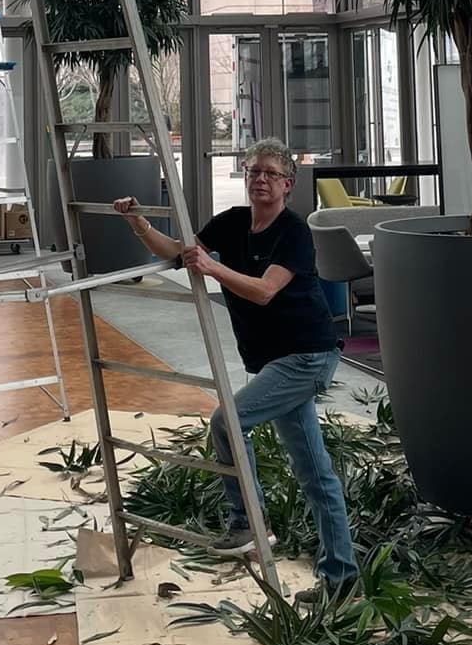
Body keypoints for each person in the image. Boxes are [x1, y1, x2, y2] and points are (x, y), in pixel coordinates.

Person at [114, 138, 359, 598]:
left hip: (306, 356)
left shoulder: (293, 233)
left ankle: (246, 522)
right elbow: (179, 253)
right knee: (315, 473)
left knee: (227, 419)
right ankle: (341, 578)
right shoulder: (232, 223)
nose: (259, 180)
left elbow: (265, 291)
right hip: (273, 360)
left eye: (269, 173)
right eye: (252, 172)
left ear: (288, 184)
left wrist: (212, 268)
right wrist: (139, 223)